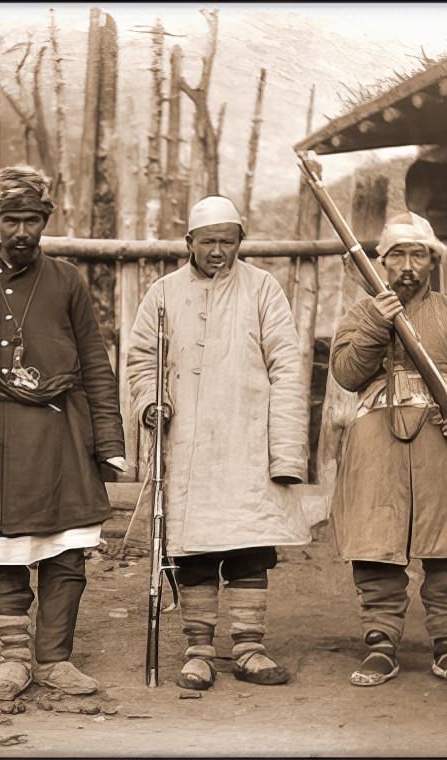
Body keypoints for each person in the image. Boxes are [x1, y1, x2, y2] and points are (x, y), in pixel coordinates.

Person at [0, 165, 126, 701]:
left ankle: (54, 660)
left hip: (62, 428)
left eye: (32, 220)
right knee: (5, 550)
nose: (21, 232)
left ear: (46, 219)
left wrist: (107, 441)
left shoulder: (67, 280)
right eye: (10, 220)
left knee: (66, 553)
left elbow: (94, 362)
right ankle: (14, 658)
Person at [125, 195, 310, 690]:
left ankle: (249, 648)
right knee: (195, 552)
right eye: (208, 242)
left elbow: (288, 367)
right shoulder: (163, 294)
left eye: (228, 243)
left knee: (249, 548)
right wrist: (151, 401)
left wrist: (285, 452)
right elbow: (141, 360)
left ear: (239, 243)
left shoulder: (263, 289)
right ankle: (199, 650)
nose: (218, 252)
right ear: (189, 242)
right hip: (186, 447)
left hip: (248, 442)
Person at [330, 211, 447, 687]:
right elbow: (345, 374)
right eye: (398, 255)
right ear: (381, 262)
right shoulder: (363, 313)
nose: (408, 265)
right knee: (376, 544)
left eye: (418, 255)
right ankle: (381, 645)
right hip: (376, 445)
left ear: (433, 262)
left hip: (442, 441)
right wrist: (377, 327)